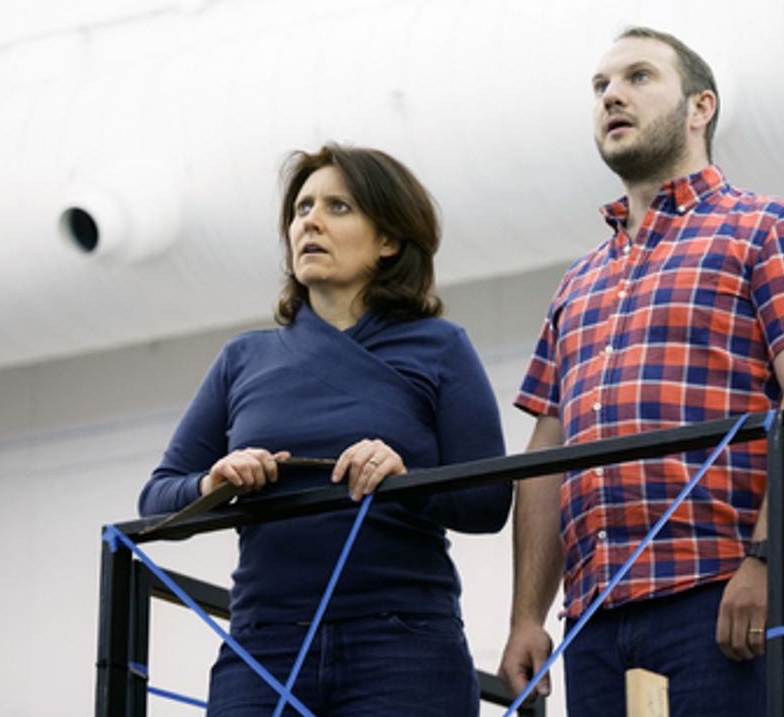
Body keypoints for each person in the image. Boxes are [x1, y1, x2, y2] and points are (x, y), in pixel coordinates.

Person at [498, 27, 784, 716]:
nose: (611, 96)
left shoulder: (769, 228)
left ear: (701, 108)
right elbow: (547, 455)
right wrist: (525, 615)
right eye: (600, 86)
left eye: (638, 77)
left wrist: (768, 560)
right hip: (596, 616)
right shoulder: (577, 282)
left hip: (720, 595)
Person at [140, 144, 512, 717]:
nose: (309, 220)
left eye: (338, 207)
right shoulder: (242, 358)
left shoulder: (441, 346)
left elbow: (488, 503)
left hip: (403, 643)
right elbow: (156, 500)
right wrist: (213, 482)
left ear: (388, 240)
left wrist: (405, 479)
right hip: (265, 644)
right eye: (302, 207)